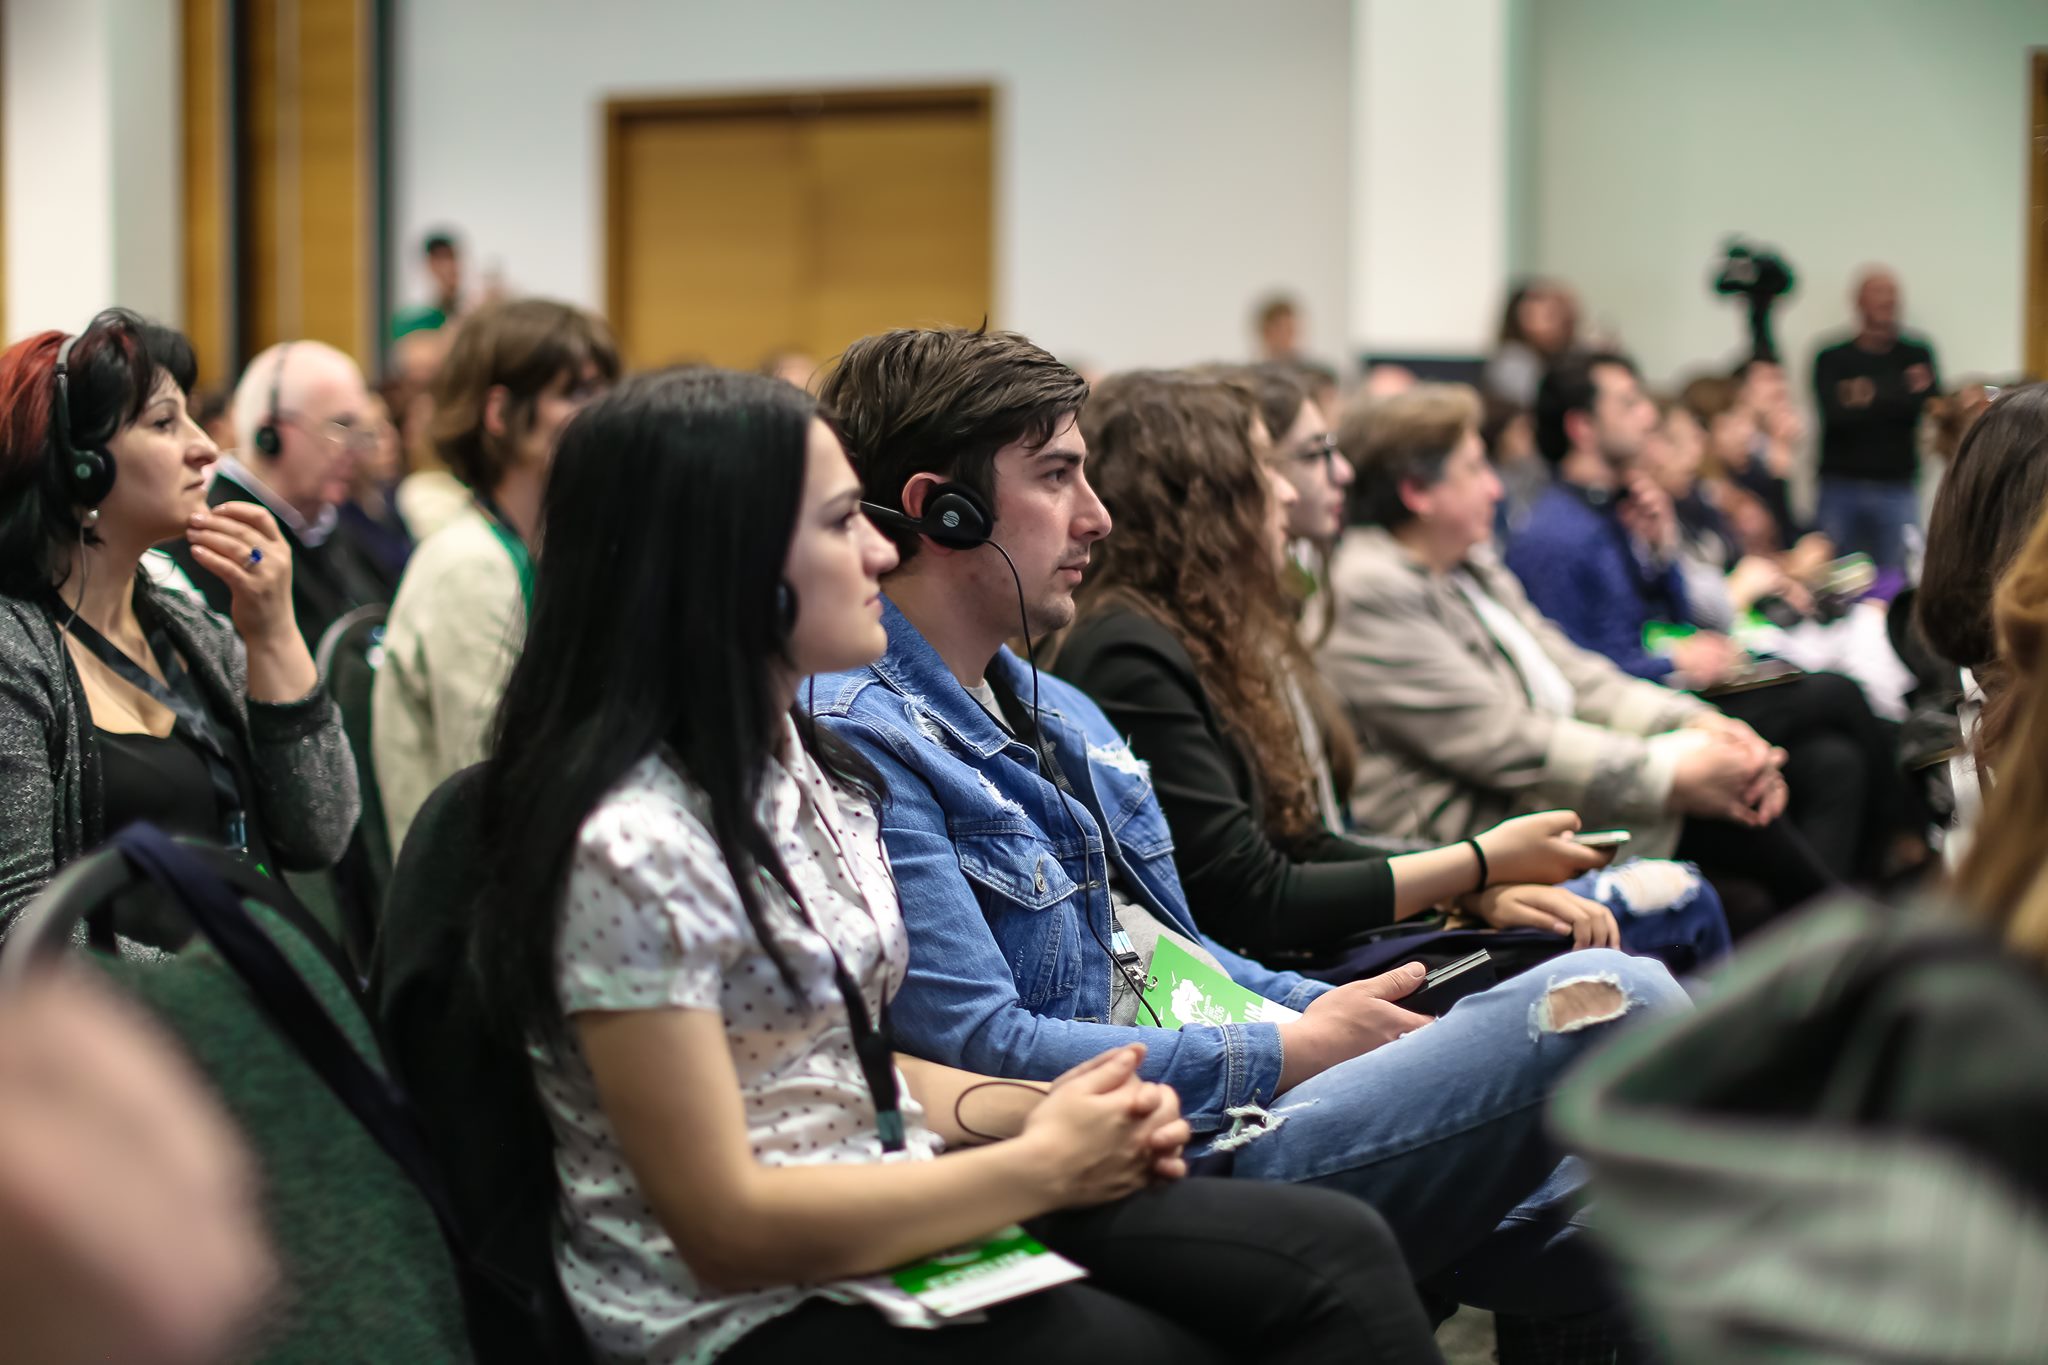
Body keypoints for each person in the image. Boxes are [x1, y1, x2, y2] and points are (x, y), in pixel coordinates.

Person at [466, 367, 1440, 1364]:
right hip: (744, 1311)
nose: (880, 549)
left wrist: (1067, 1114)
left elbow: (854, 1069)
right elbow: (724, 1228)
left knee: (1331, 1253)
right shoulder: (632, 848)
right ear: (726, 565)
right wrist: (1039, 1167)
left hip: (896, 1200)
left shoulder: (806, 770)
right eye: (840, 522)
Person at [812, 325, 1690, 1361]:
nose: (1096, 516)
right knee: (1616, 995)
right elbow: (983, 1048)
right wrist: (1292, 1046)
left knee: (1618, 1212)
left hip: (1233, 1085)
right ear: (940, 511)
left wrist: (1329, 1015)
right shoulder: (865, 733)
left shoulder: (1059, 709)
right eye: (1055, 477)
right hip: (1158, 1149)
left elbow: (1171, 949)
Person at [1055, 369, 1730, 970]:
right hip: (1283, 974)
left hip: (1347, 918)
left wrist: (1472, 883)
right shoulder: (1135, 648)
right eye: (1269, 465)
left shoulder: (1219, 625)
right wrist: (1476, 866)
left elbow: (1303, 842)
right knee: (1669, 917)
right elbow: (1253, 897)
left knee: (1697, 877)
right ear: (1198, 495)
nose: (1287, 490)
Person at [1318, 382, 1849, 929]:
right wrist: (1671, 773)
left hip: (1545, 793)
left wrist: (1698, 723)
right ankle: (1854, 943)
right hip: (1482, 842)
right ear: (1416, 491)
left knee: (1821, 762)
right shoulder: (1369, 588)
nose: (1496, 489)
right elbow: (1503, 740)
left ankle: (1851, 941)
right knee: (1783, 761)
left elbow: (1573, 672)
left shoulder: (1468, 565)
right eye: (1475, 469)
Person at [0, 310, 359, 929]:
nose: (206, 449)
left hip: (250, 973)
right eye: (164, 423)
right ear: (80, 464)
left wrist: (273, 631)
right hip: (137, 992)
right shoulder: (13, 651)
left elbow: (320, 831)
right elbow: (19, 923)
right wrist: (201, 973)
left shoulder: (189, 629)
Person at [373, 298, 619, 851]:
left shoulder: (537, 548)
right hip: (477, 882)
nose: (602, 413)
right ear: (500, 413)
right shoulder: (467, 564)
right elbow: (495, 778)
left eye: (603, 391)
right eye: (577, 392)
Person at [163, 340, 394, 650]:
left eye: (362, 432)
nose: (356, 449)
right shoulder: (211, 540)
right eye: (340, 427)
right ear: (269, 434)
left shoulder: (336, 530)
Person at [1810, 268, 1939, 573]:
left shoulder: (1917, 352)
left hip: (1898, 485)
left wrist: (1864, 392)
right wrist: (1900, 388)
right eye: (1878, 294)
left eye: (1892, 295)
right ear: (1858, 302)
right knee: (1832, 578)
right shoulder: (1831, 357)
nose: (1886, 302)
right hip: (1840, 485)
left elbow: (1929, 405)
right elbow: (1835, 414)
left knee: (1900, 576)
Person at [1484, 279, 1579, 408]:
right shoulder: (1512, 360)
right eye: (1547, 316)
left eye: (1554, 314)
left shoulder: (1574, 355)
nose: (1553, 324)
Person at [391, 230, 465, 340]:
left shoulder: (466, 308)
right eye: (440, 260)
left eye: (452, 257)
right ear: (428, 264)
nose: (449, 267)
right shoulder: (412, 316)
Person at [1250, 293, 1302, 364]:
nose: (1287, 337)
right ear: (1266, 332)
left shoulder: (1308, 368)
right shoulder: (1251, 368)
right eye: (1281, 331)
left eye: (1290, 330)